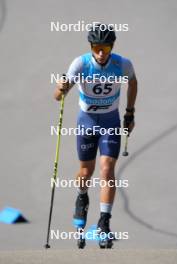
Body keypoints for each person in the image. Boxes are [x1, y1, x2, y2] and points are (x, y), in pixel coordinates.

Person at [54, 23, 137, 248]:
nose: (102, 53)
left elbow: (133, 82)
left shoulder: (122, 64)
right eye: (98, 47)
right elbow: (58, 96)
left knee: (108, 168)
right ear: (91, 46)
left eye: (106, 48)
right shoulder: (80, 64)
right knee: (85, 172)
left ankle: (104, 222)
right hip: (87, 124)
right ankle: (82, 195)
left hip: (110, 123)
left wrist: (130, 112)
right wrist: (61, 87)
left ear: (112, 47)